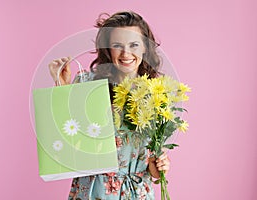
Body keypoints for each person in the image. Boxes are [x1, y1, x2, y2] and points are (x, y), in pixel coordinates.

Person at [49, 11, 171, 200]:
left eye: (134, 45)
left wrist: (158, 167)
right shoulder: (88, 84)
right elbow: (66, 141)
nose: (126, 53)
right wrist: (62, 87)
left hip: (138, 193)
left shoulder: (155, 93)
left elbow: (152, 167)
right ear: (108, 49)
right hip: (94, 191)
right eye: (117, 45)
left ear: (145, 48)